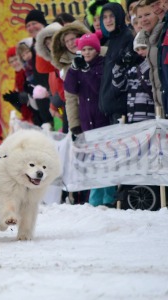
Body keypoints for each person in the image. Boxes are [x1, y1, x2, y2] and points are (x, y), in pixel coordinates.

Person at [64, 32, 115, 207]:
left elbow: (97, 88)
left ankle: (109, 196)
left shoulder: (102, 65)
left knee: (105, 160)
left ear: (96, 50)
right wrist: (73, 69)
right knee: (93, 162)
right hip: (87, 121)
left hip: (102, 119)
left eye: (90, 49)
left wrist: (86, 70)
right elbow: (70, 89)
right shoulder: (79, 67)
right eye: (83, 49)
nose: (86, 53)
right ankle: (94, 199)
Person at [98, 2, 135, 124]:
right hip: (112, 110)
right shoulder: (112, 40)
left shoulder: (127, 37)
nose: (108, 20)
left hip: (123, 110)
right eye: (105, 17)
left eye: (112, 16)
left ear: (119, 16)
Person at [112, 30, 155, 123]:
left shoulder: (153, 66)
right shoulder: (133, 69)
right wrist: (118, 65)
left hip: (149, 118)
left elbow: (150, 80)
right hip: (132, 117)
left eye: (143, 48)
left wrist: (142, 63)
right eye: (137, 50)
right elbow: (120, 86)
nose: (140, 52)